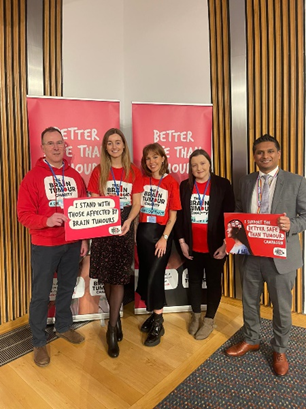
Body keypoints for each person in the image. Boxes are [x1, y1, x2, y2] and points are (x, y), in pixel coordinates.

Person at [225, 134, 306, 377]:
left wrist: (290, 225)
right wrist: (231, 232)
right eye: (260, 152)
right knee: (249, 300)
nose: (265, 156)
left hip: (280, 256)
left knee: (281, 307)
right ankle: (251, 339)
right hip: (250, 254)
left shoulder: (296, 181)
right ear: (254, 156)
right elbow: (239, 211)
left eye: (270, 151)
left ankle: (279, 350)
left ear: (278, 154)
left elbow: (304, 216)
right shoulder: (246, 181)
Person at [17, 126, 88, 368]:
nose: (56, 147)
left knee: (67, 288)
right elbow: (23, 214)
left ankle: (64, 326)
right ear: (43, 147)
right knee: (40, 294)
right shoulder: (32, 177)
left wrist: (84, 240)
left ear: (64, 145)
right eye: (50, 143)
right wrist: (46, 220)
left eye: (59, 143)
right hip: (45, 245)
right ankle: (38, 341)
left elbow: (83, 210)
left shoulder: (76, 176)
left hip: (71, 243)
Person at [88, 128, 143, 358]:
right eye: (110, 143)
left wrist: (129, 221)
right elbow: (92, 199)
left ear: (123, 145)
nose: (114, 146)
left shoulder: (134, 172)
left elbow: (137, 203)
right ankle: (115, 320)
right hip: (103, 229)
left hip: (124, 228)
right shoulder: (99, 171)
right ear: (105, 147)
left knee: (119, 277)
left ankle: (111, 328)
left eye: (118, 142)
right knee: (107, 277)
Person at [175, 149, 235, 339]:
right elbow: (178, 217)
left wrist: (227, 243)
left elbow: (230, 215)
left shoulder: (222, 184)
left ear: (209, 163)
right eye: (194, 165)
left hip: (216, 247)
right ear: (190, 168)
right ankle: (195, 316)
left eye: (202, 163)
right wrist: (182, 242)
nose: (198, 168)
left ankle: (209, 320)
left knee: (213, 283)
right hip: (191, 246)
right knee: (193, 281)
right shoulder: (185, 186)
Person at [136, 143, 181, 347]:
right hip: (143, 234)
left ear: (163, 158)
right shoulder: (141, 179)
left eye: (155, 157)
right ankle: (154, 315)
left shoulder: (171, 182)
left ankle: (159, 322)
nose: (151, 162)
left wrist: (164, 238)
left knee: (155, 277)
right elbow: (138, 209)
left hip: (160, 236)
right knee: (146, 275)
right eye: (148, 158)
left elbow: (173, 216)